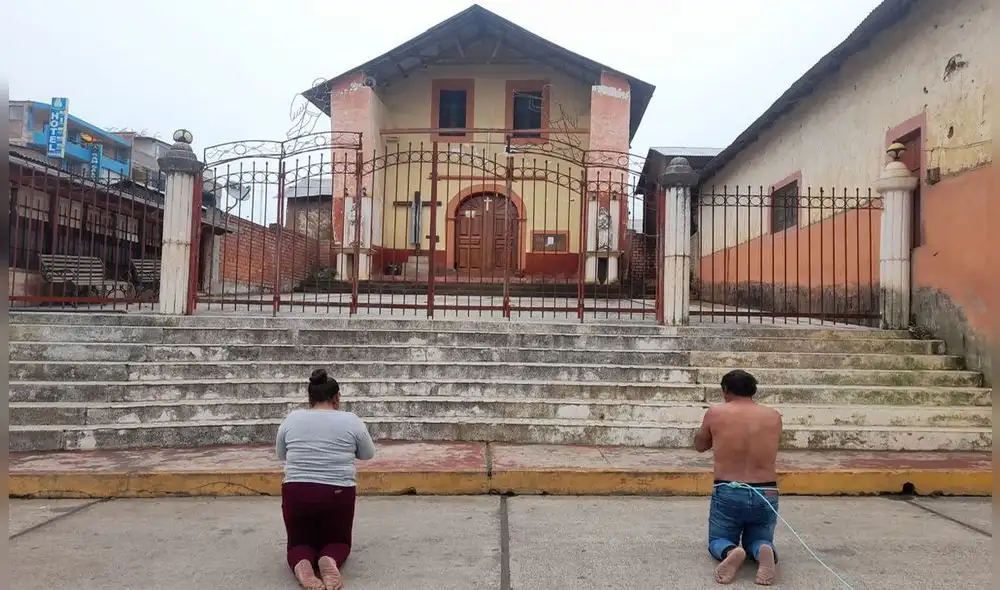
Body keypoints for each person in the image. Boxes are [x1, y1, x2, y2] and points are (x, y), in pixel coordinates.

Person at [276, 368, 376, 590]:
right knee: (338, 541)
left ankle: (302, 562)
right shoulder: (351, 421)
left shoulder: (292, 419)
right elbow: (368, 454)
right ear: (337, 397)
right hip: (338, 493)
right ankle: (329, 559)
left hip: (296, 492)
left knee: (299, 543)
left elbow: (282, 455)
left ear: (309, 398)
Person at [694, 369, 782, 586]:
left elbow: (700, 446)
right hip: (767, 491)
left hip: (729, 490)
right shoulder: (773, 415)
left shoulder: (716, 413)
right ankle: (763, 550)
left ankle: (731, 551)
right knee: (760, 538)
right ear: (753, 391)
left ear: (725, 391)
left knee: (718, 540)